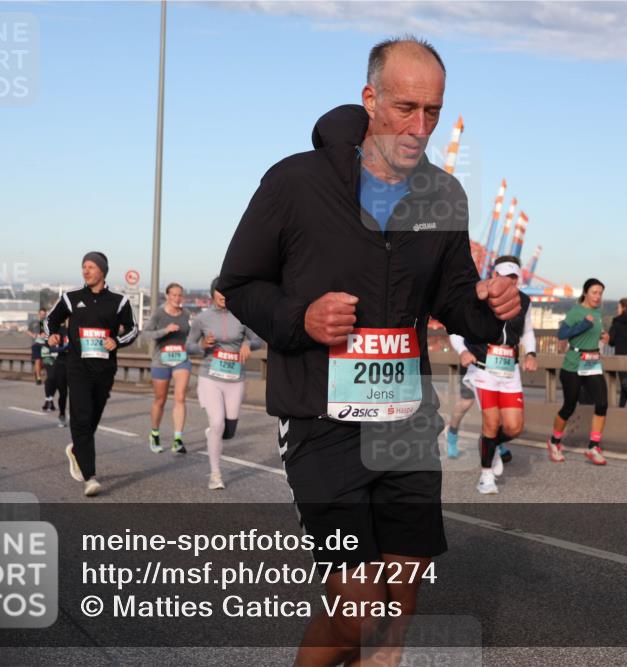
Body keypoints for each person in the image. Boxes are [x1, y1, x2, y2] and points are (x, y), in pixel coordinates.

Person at [218, 37, 521, 665]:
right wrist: (299, 317)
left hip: (405, 420)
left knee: (398, 602)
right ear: (370, 99)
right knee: (356, 606)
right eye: (406, 107)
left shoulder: (443, 195)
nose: (420, 127)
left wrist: (492, 309)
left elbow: (453, 299)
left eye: (433, 111)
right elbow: (240, 284)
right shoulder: (296, 181)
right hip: (321, 417)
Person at [45, 252, 138, 497]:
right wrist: (52, 334)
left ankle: (77, 450)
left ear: (102, 271)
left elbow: (132, 329)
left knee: (93, 417)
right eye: (83, 266)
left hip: (105, 369)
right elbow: (50, 321)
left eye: (91, 267)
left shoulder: (118, 301)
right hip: (77, 367)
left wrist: (116, 341)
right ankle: (90, 477)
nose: (86, 271)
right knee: (82, 417)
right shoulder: (71, 298)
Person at [450, 256, 536, 494]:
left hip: (509, 370)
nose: (509, 282)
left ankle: (490, 443)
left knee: (514, 427)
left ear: (518, 279)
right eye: (504, 277)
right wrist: (463, 351)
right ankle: (486, 476)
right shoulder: (479, 298)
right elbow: (455, 327)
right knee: (492, 421)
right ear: (494, 276)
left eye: (514, 278)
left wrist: (531, 353)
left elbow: (527, 331)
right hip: (483, 367)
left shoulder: (525, 301)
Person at [186, 279, 262, 489]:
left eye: (226, 291)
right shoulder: (203, 318)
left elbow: (259, 340)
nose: (223, 295)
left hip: (235, 378)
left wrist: (248, 343)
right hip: (210, 375)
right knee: (217, 422)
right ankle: (215, 475)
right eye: (219, 291)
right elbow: (189, 346)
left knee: (228, 431)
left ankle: (213, 433)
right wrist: (202, 345)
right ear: (213, 294)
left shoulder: (243, 316)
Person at [547, 278, 610, 466]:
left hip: (591, 363)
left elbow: (593, 332)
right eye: (594, 292)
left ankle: (593, 446)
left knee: (602, 403)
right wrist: (584, 324)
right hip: (573, 364)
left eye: (600, 293)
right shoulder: (576, 312)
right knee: (569, 406)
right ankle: (554, 441)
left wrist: (602, 335)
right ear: (585, 293)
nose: (598, 297)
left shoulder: (597, 313)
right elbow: (561, 334)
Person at [141, 283, 192, 454]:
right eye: (174, 295)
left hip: (181, 359)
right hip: (161, 360)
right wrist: (165, 331)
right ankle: (154, 433)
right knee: (160, 400)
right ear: (168, 296)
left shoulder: (186, 314)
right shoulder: (158, 314)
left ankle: (178, 439)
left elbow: (189, 336)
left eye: (180, 295)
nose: (177, 298)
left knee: (180, 397)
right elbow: (146, 334)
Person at [42, 318, 70, 427]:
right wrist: (65, 348)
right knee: (63, 393)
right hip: (62, 363)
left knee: (78, 393)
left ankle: (78, 416)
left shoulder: (79, 330)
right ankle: (62, 414)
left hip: (77, 364)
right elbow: (50, 348)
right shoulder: (59, 330)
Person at [28, 308, 48, 385]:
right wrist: (33, 335)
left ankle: (37, 372)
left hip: (45, 344)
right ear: (38, 314)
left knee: (44, 362)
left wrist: (46, 335)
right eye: (41, 314)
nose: (43, 316)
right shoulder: (33, 322)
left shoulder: (47, 322)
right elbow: (28, 331)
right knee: (38, 360)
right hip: (36, 343)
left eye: (44, 314)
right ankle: (39, 378)